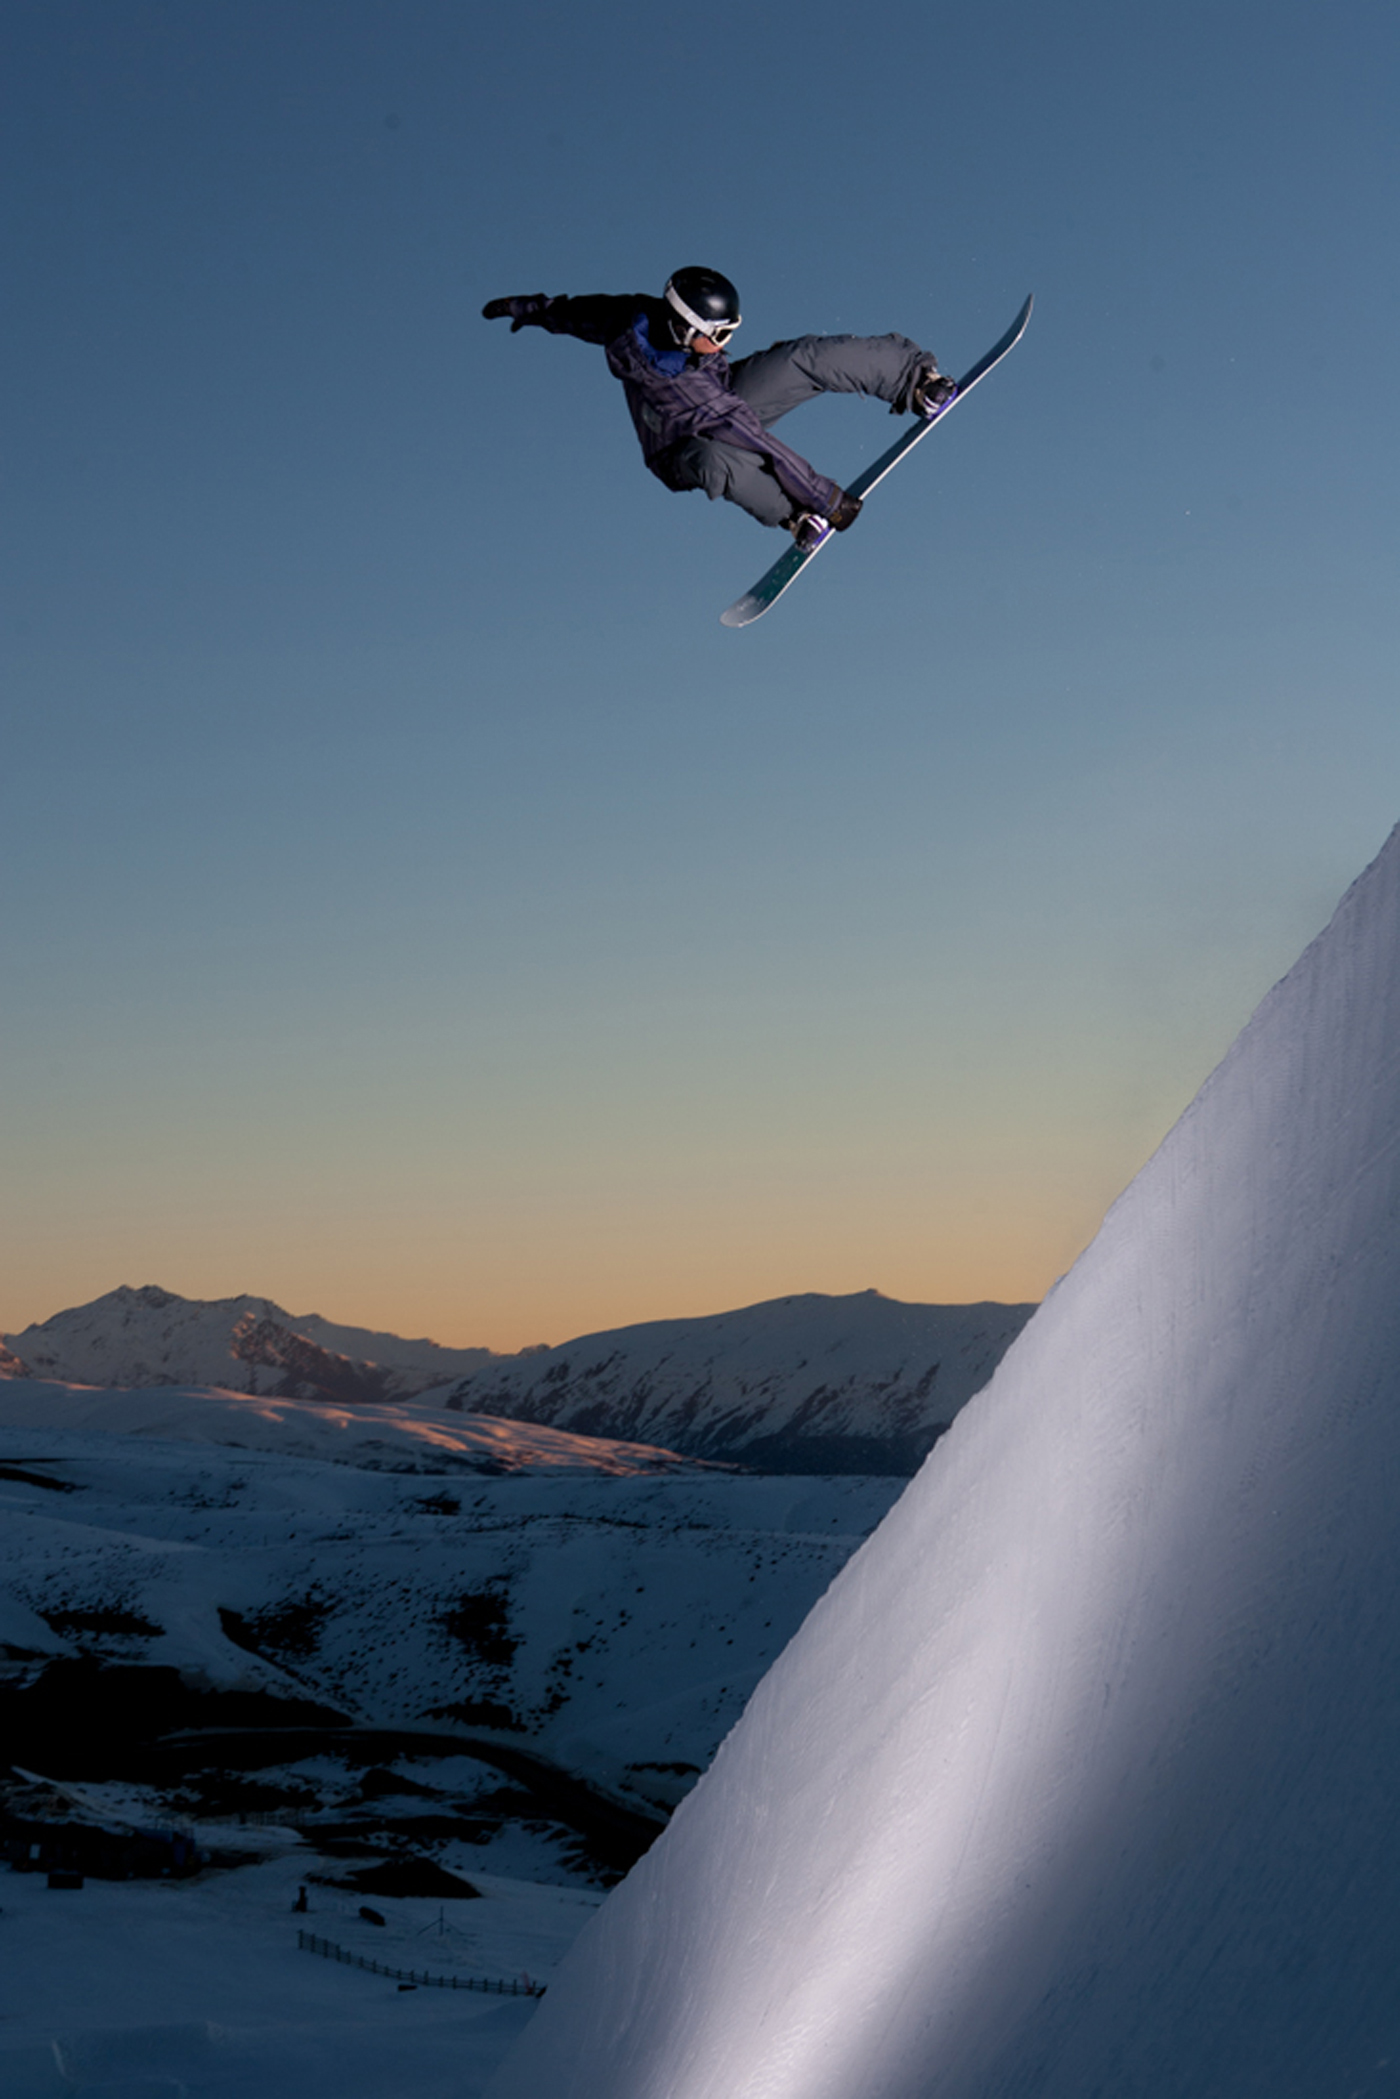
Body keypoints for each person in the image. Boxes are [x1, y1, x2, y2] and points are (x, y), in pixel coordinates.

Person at [482, 266, 956, 551]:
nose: (727, 341)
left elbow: (576, 313)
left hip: (721, 394)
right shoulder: (682, 387)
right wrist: (827, 502)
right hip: (678, 448)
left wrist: (528, 309)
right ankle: (793, 514)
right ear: (686, 330)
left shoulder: (637, 314)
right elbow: (756, 441)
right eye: (720, 334)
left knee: (799, 357)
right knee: (722, 458)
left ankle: (912, 380)